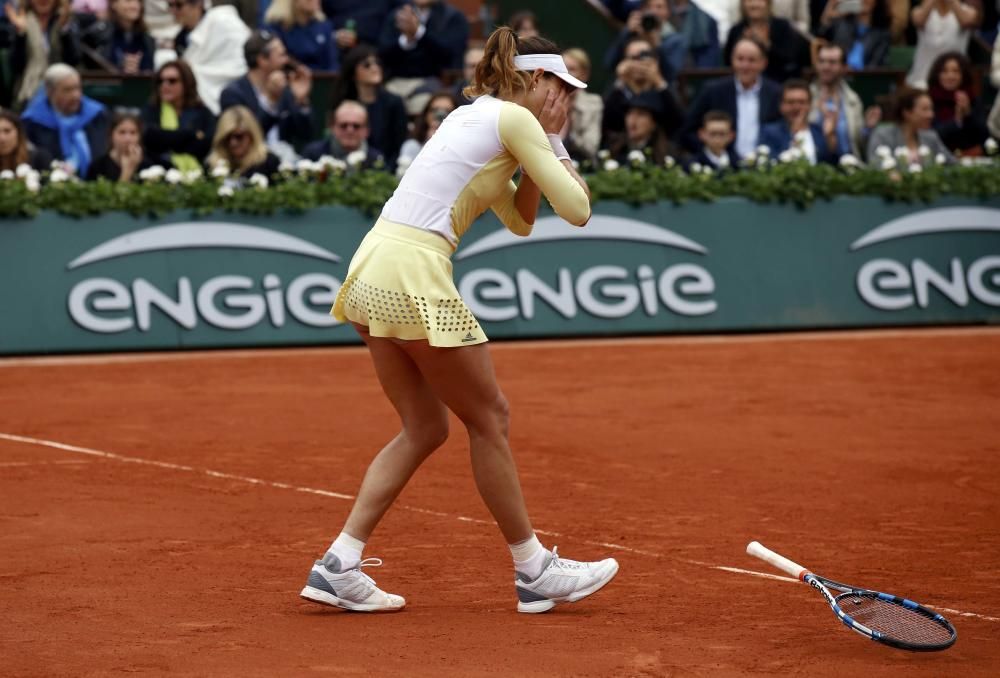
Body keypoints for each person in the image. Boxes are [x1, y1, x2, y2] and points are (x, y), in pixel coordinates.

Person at [298, 27, 618, 615]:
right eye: (562, 88)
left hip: (372, 265)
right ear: (538, 79)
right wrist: (554, 144)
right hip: (412, 271)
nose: (566, 101)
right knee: (489, 416)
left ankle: (339, 563)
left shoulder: (473, 117)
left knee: (425, 426)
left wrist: (536, 151)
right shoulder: (519, 123)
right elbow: (577, 210)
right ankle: (533, 569)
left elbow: (520, 220)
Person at [680, 37, 782, 155]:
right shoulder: (714, 91)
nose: (745, 65)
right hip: (723, 167)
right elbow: (688, 131)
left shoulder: (775, 92)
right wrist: (712, 154)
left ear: (763, 63)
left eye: (751, 60)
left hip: (766, 166)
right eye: (740, 59)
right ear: (732, 60)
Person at [219, 30, 315, 148]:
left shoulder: (285, 88)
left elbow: (306, 135)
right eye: (281, 55)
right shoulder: (233, 94)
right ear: (262, 60)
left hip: (286, 159)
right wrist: (271, 102)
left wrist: (301, 101)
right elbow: (246, 139)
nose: (286, 60)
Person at [21, 63, 109, 177]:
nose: (76, 95)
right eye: (68, 90)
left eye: (78, 88)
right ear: (49, 92)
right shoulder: (32, 122)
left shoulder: (97, 115)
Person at [377, 0, 469, 109]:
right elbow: (382, 53)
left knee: (424, 104)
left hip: (432, 82)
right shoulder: (397, 15)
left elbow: (451, 54)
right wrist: (406, 40)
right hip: (394, 80)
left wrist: (418, 33)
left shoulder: (452, 17)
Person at [330, 44, 408, 168]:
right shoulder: (343, 103)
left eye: (377, 63)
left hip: (384, 171)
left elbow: (398, 145)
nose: (375, 68)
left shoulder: (394, 103)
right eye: (367, 65)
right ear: (353, 73)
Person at [602, 36, 684, 146]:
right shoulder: (618, 89)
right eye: (633, 58)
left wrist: (658, 80)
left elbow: (678, 122)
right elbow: (606, 120)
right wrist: (620, 80)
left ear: (655, 60)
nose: (638, 63)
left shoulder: (663, 90)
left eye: (643, 56)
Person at [171, 0, 251, 114]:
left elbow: (241, 60)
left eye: (179, 5)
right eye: (170, 5)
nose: (173, 11)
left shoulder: (223, 21)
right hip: (198, 104)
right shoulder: (180, 39)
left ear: (198, 4)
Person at [4, 0, 82, 108]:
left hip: (62, 91)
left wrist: (64, 31)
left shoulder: (66, 20)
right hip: (27, 92)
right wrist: (21, 34)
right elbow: (16, 67)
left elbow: (73, 61)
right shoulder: (20, 21)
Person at [141, 60, 216, 170]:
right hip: (158, 173)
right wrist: (191, 135)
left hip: (197, 174)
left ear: (186, 83)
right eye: (160, 81)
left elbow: (204, 146)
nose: (164, 85)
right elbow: (151, 138)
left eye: (172, 81)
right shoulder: (152, 110)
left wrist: (168, 139)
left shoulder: (203, 113)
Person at [809, 42, 879, 157]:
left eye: (832, 62)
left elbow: (858, 143)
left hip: (848, 164)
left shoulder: (853, 100)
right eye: (821, 61)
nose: (826, 67)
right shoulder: (807, 96)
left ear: (844, 67)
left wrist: (867, 129)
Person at [603, 0, 688, 85]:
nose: (653, 11)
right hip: (627, 88)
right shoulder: (631, 33)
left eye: (659, 7)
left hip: (655, 92)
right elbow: (608, 64)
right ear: (641, 10)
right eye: (648, 7)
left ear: (668, 12)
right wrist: (626, 32)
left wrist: (657, 46)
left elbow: (671, 76)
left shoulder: (675, 40)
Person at [724, 0, 811, 81]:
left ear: (768, 4)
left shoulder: (782, 27)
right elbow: (728, 61)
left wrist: (767, 44)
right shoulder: (736, 30)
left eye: (760, 0)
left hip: (779, 81)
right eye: (749, 1)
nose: (754, 5)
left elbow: (792, 59)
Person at [867, 87, 955, 166]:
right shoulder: (882, 135)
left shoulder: (930, 137)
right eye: (925, 109)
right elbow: (876, 166)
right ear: (907, 112)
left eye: (931, 109)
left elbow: (954, 165)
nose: (931, 115)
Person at [759, 79, 839, 162]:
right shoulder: (769, 132)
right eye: (790, 102)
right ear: (781, 105)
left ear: (810, 105)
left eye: (802, 102)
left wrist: (830, 137)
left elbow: (830, 163)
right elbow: (771, 162)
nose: (796, 107)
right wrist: (794, 133)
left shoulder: (818, 131)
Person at [907, 0, 981, 89]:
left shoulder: (969, 11)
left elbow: (965, 21)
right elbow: (918, 21)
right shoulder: (919, 10)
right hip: (922, 77)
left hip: (953, 79)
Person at [926, 51, 989, 152]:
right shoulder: (928, 101)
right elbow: (928, 136)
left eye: (956, 71)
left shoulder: (973, 100)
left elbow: (984, 137)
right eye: (944, 71)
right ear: (937, 75)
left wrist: (968, 114)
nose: (950, 76)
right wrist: (957, 121)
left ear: (963, 75)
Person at [301, 100, 385, 167]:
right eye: (343, 125)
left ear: (366, 131)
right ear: (333, 128)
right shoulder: (313, 155)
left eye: (356, 126)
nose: (350, 130)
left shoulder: (376, 159)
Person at [206, 105, 282, 177]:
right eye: (227, 138)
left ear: (252, 135)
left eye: (239, 136)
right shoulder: (212, 166)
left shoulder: (268, 163)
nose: (233, 143)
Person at [605, 90, 679, 165]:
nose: (632, 120)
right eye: (630, 113)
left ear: (654, 123)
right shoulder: (614, 148)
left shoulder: (667, 154)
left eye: (641, 114)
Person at [265, 0, 340, 72]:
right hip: (289, 79)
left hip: (322, 80)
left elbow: (332, 64)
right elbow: (278, 61)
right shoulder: (277, 27)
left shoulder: (324, 26)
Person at [818, 0, 892, 69]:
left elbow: (876, 65)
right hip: (838, 75)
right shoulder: (842, 25)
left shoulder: (882, 34)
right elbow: (820, 37)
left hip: (865, 78)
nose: (864, 0)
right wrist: (829, 10)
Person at [561, 47, 604, 164]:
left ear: (584, 74)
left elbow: (590, 147)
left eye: (572, 69)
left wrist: (570, 118)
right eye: (562, 69)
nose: (566, 74)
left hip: (581, 164)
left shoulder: (593, 103)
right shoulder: (546, 99)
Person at [86, 112, 151, 181]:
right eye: (122, 132)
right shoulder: (98, 167)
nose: (127, 139)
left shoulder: (148, 167)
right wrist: (127, 171)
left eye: (133, 132)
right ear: (111, 135)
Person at [95, 0, 155, 73]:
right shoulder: (99, 34)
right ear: (114, 4)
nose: (134, 6)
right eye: (128, 1)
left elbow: (149, 70)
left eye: (138, 1)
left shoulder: (147, 39)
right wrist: (120, 66)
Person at [398, 90, 455, 162]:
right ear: (426, 114)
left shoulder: (462, 146)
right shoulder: (413, 146)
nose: (440, 115)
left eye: (447, 111)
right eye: (434, 110)